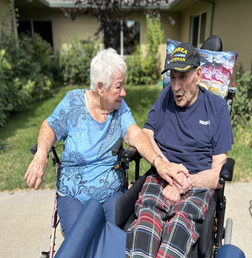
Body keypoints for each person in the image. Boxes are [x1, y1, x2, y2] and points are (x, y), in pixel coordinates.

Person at [24, 48, 187, 237]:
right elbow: (50, 126)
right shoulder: (73, 102)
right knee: (79, 242)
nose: (124, 92)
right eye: (118, 87)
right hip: (74, 194)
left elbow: (136, 134)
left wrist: (159, 163)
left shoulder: (119, 107)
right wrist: (41, 153)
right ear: (100, 87)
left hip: (111, 192)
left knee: (118, 239)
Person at [121, 42, 234, 258]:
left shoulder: (216, 109)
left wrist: (186, 181)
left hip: (196, 184)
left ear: (199, 75)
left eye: (183, 77)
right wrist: (164, 166)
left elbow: (218, 173)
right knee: (143, 229)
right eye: (172, 77)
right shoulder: (165, 98)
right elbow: (146, 135)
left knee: (177, 234)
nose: (175, 86)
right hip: (161, 176)